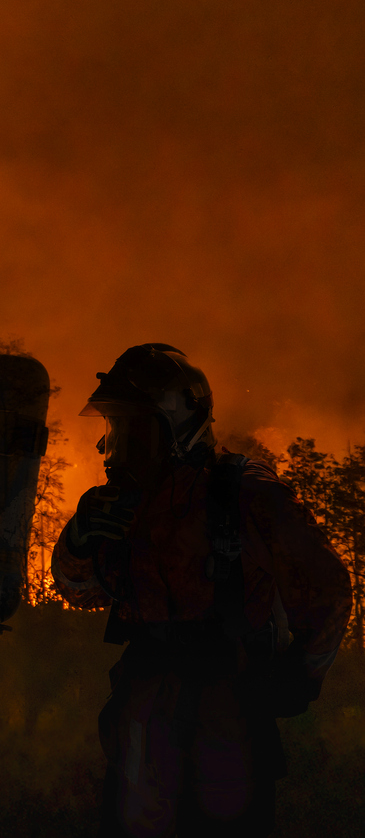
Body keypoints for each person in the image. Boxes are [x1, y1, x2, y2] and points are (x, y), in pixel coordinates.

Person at [52, 344, 350, 837]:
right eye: (114, 426)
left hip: (227, 734)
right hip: (141, 732)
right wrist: (79, 539)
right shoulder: (120, 504)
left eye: (132, 429)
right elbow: (81, 592)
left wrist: (299, 676)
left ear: (178, 428)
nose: (112, 446)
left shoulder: (247, 492)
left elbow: (328, 589)